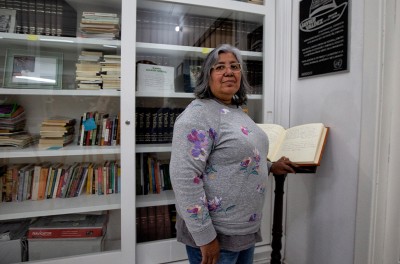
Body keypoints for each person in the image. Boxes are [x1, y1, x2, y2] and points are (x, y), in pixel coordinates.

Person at [169, 44, 297, 264]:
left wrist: (269, 167)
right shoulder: (198, 115)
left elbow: (237, 158)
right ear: (207, 76)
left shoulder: (235, 110)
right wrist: (205, 237)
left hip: (242, 230)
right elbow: (184, 179)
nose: (229, 71)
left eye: (235, 66)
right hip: (217, 235)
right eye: (219, 67)